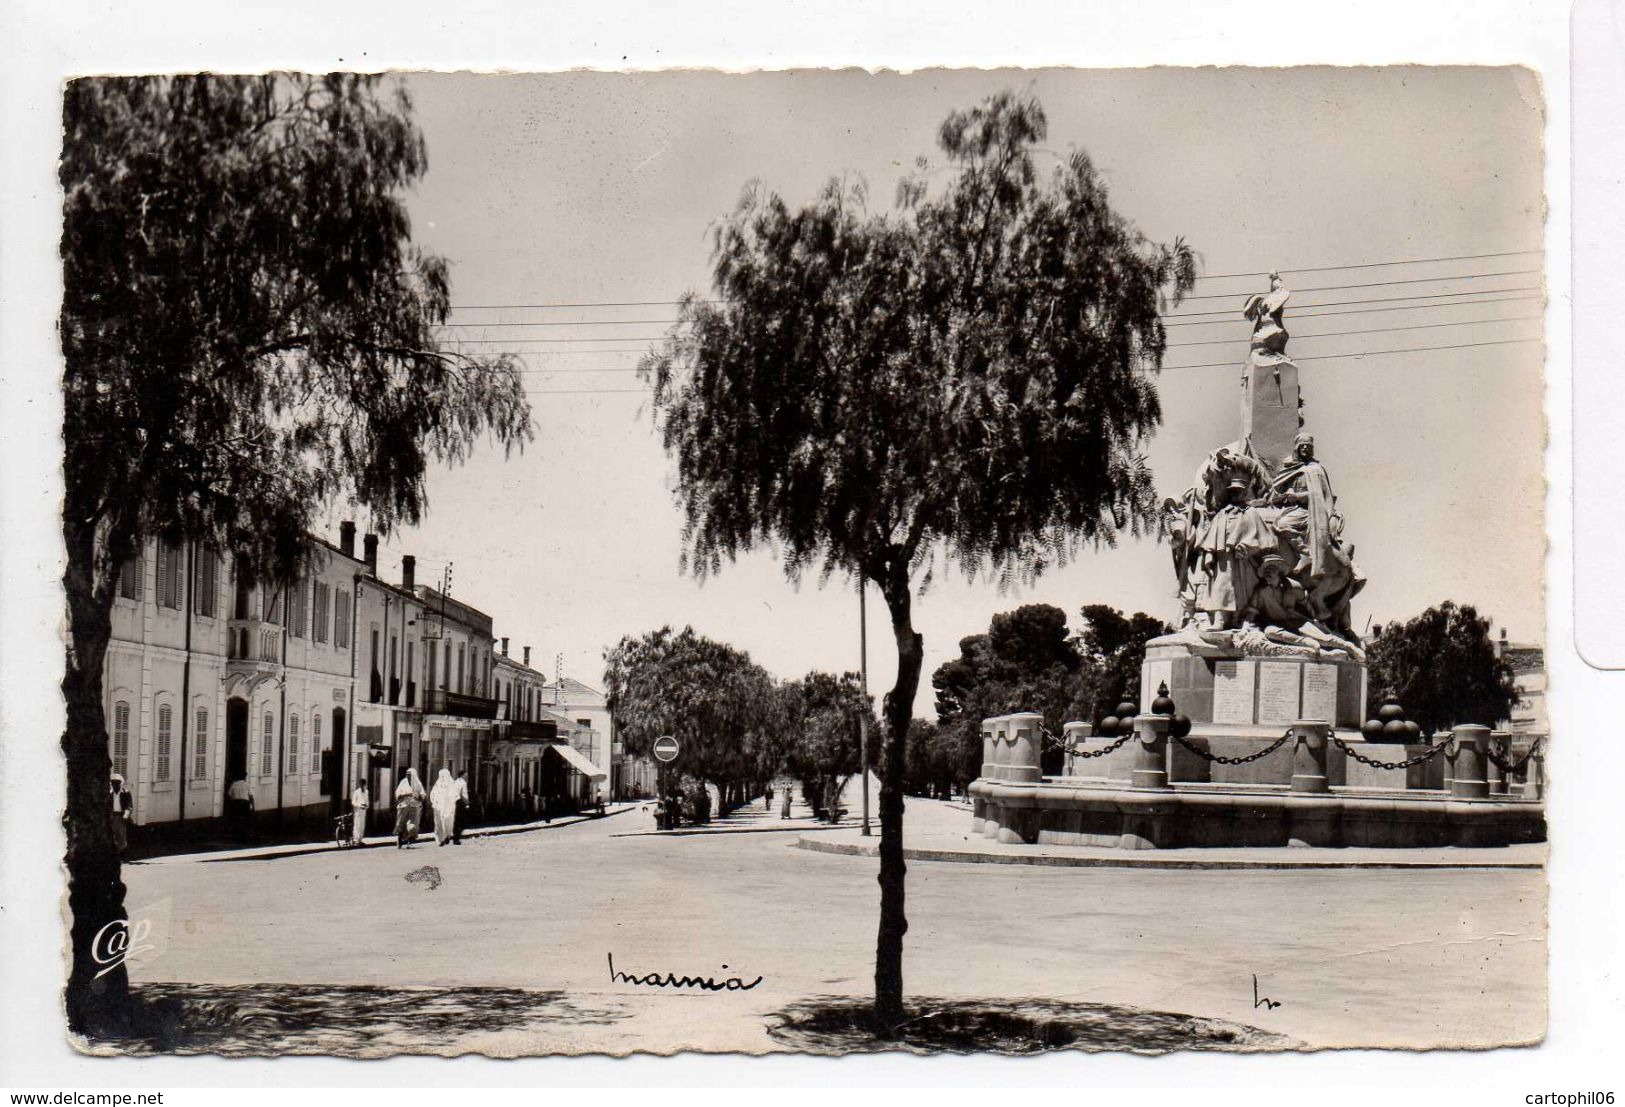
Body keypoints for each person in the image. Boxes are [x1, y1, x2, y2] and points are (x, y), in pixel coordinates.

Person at [394, 768, 425, 848]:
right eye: (407, 774)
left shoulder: (418, 784)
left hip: (414, 806)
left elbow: (422, 796)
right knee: (401, 823)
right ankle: (400, 840)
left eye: (409, 774)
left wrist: (417, 797)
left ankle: (409, 842)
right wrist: (406, 794)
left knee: (412, 825)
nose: (407, 776)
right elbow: (398, 795)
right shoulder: (403, 783)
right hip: (403, 806)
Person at [430, 768, 458, 847]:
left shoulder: (452, 785)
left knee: (448, 822)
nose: (443, 777)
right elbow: (433, 795)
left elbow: (455, 796)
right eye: (441, 776)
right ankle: (440, 840)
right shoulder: (437, 785)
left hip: (449, 808)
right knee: (438, 823)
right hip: (438, 808)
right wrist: (435, 802)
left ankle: (447, 836)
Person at [109, 774, 132, 854]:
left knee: (121, 837)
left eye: (117, 783)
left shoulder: (126, 793)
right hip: (111, 817)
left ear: (120, 784)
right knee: (111, 836)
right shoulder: (109, 794)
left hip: (120, 817)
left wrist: (126, 814)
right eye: (113, 783)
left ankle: (121, 852)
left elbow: (129, 806)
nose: (115, 785)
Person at [225, 776, 253, 841]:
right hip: (244, 804)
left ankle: (236, 832)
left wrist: (231, 802)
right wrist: (251, 805)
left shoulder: (234, 784)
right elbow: (250, 795)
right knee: (247, 818)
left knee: (235, 818)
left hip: (236, 804)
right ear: (245, 777)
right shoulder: (246, 784)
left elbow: (229, 795)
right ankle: (246, 832)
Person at [451, 769, 470, 845]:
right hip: (460, 803)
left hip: (453, 802)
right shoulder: (463, 783)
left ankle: (455, 836)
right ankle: (456, 838)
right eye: (466, 775)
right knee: (461, 821)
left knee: (456, 821)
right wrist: (467, 803)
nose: (467, 777)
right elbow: (464, 794)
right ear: (463, 775)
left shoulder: (455, 782)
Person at [349, 780, 370, 845]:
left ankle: (360, 839)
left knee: (362, 825)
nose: (362, 786)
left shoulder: (366, 792)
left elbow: (367, 800)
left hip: (363, 811)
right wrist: (359, 805)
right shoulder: (356, 792)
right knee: (357, 824)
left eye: (363, 784)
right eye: (361, 784)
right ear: (359, 784)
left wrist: (366, 806)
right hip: (358, 810)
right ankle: (355, 840)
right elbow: (353, 802)